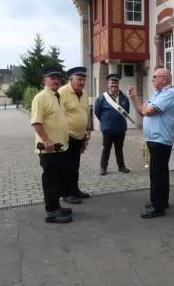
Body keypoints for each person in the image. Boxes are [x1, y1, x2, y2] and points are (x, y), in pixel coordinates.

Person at [127, 68, 174, 218]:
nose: (153, 79)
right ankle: (160, 201)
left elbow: (148, 111)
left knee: (158, 173)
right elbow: (141, 110)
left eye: (155, 77)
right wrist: (134, 99)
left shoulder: (169, 94)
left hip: (161, 139)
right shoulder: (157, 94)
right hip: (153, 139)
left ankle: (158, 207)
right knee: (158, 172)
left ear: (164, 79)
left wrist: (144, 107)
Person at [31, 65, 72, 223]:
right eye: (52, 78)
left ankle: (56, 206)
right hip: (49, 148)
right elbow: (36, 122)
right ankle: (51, 212)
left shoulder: (57, 96)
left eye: (58, 78)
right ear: (45, 80)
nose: (56, 81)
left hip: (60, 147)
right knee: (50, 181)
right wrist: (47, 140)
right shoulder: (40, 97)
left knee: (58, 179)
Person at [58, 66, 91, 205]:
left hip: (79, 136)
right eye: (79, 79)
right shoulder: (62, 92)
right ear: (71, 79)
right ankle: (66, 194)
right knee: (66, 166)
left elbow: (85, 113)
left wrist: (87, 130)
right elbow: (58, 115)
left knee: (75, 165)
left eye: (83, 80)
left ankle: (74, 190)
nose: (82, 82)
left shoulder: (83, 93)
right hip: (67, 136)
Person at [95, 73, 131, 175]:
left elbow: (126, 111)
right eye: (112, 82)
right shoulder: (102, 98)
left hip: (120, 128)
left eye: (116, 82)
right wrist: (105, 121)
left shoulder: (124, 97)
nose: (114, 84)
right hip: (108, 129)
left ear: (118, 84)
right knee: (106, 148)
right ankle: (103, 167)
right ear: (108, 84)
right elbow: (97, 112)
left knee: (119, 149)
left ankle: (121, 166)